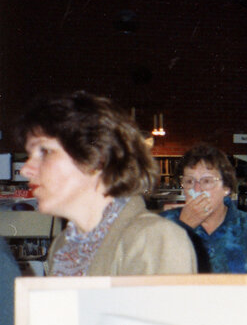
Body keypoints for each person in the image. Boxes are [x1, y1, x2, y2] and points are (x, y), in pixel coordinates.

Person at [15, 92, 197, 277]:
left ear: (96, 157)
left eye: (44, 151)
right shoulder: (63, 246)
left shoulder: (154, 239)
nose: (25, 170)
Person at [161, 145, 247, 274]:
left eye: (207, 181)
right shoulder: (163, 225)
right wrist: (182, 228)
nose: (197, 189)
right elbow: (152, 280)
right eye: (189, 181)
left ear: (226, 187)